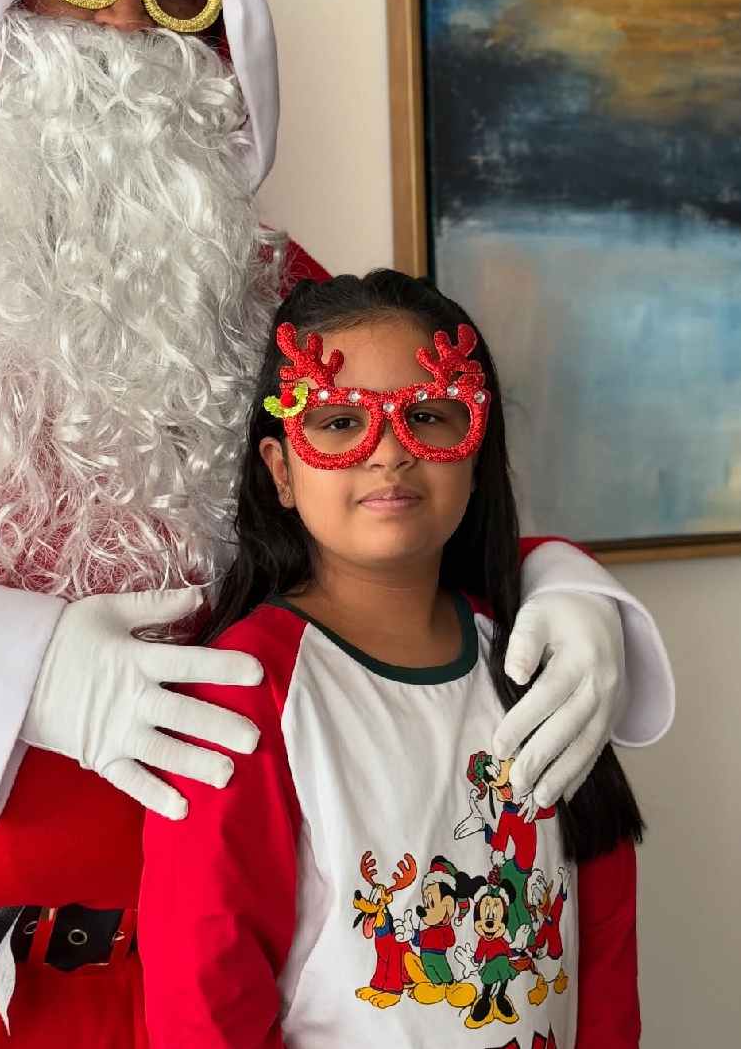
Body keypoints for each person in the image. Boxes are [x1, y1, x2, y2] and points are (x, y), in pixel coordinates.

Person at [0, 0, 670, 1046]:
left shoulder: (276, 294)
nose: (127, 29)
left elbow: (381, 488)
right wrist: (14, 673)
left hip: (189, 976)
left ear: (225, 43)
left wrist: (552, 580)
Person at [139, 270, 644, 1048]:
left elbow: (603, 943)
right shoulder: (242, 692)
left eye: (429, 416)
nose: (387, 454)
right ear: (280, 469)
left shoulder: (541, 664)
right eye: (339, 422)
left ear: (477, 456)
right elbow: (202, 1006)